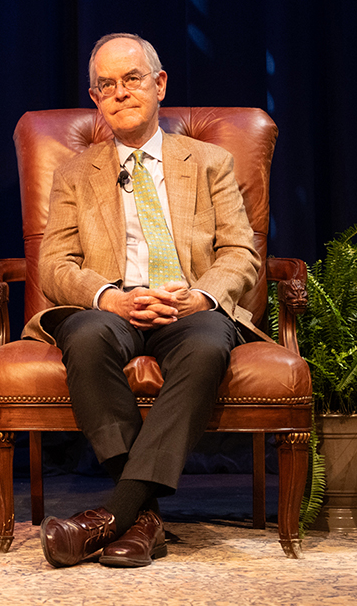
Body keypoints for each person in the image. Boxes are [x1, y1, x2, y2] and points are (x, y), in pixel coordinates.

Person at [26, 33, 263, 568]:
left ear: (160, 84)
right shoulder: (74, 173)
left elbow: (240, 252)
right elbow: (55, 265)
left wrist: (201, 296)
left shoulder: (210, 162)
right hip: (114, 308)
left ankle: (115, 514)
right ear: (95, 99)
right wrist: (110, 298)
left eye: (132, 79)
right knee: (85, 336)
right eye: (106, 85)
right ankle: (142, 518)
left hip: (190, 307)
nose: (120, 92)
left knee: (207, 346)